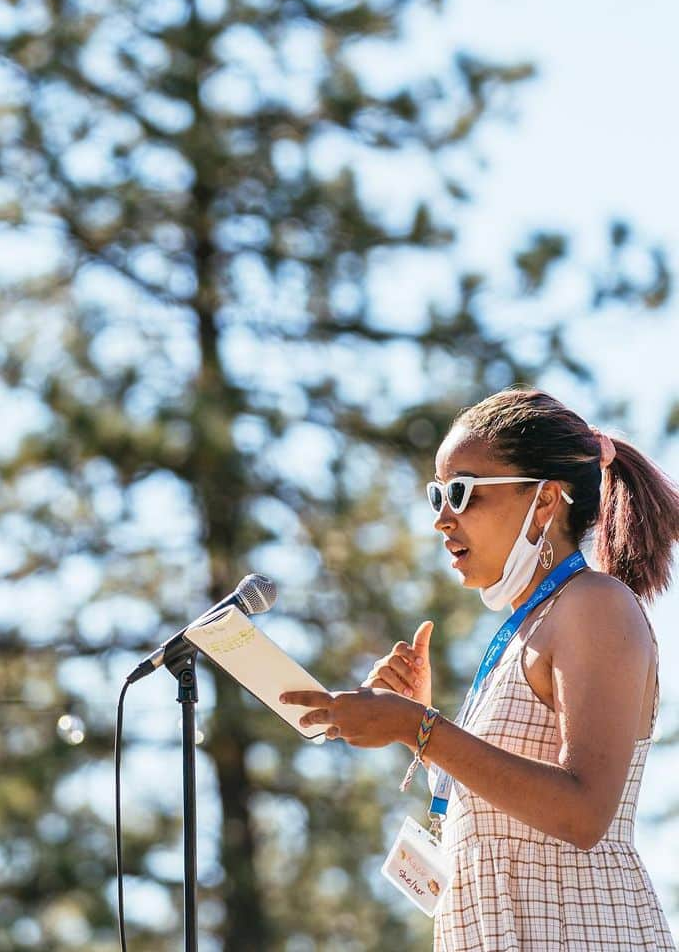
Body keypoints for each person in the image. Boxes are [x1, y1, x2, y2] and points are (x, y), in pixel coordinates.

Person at [281, 389, 677, 951]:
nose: (443, 519)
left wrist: (418, 727)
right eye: (438, 495)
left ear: (544, 501)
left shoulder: (594, 603)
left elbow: (584, 811)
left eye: (463, 492)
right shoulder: (527, 629)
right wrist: (420, 728)